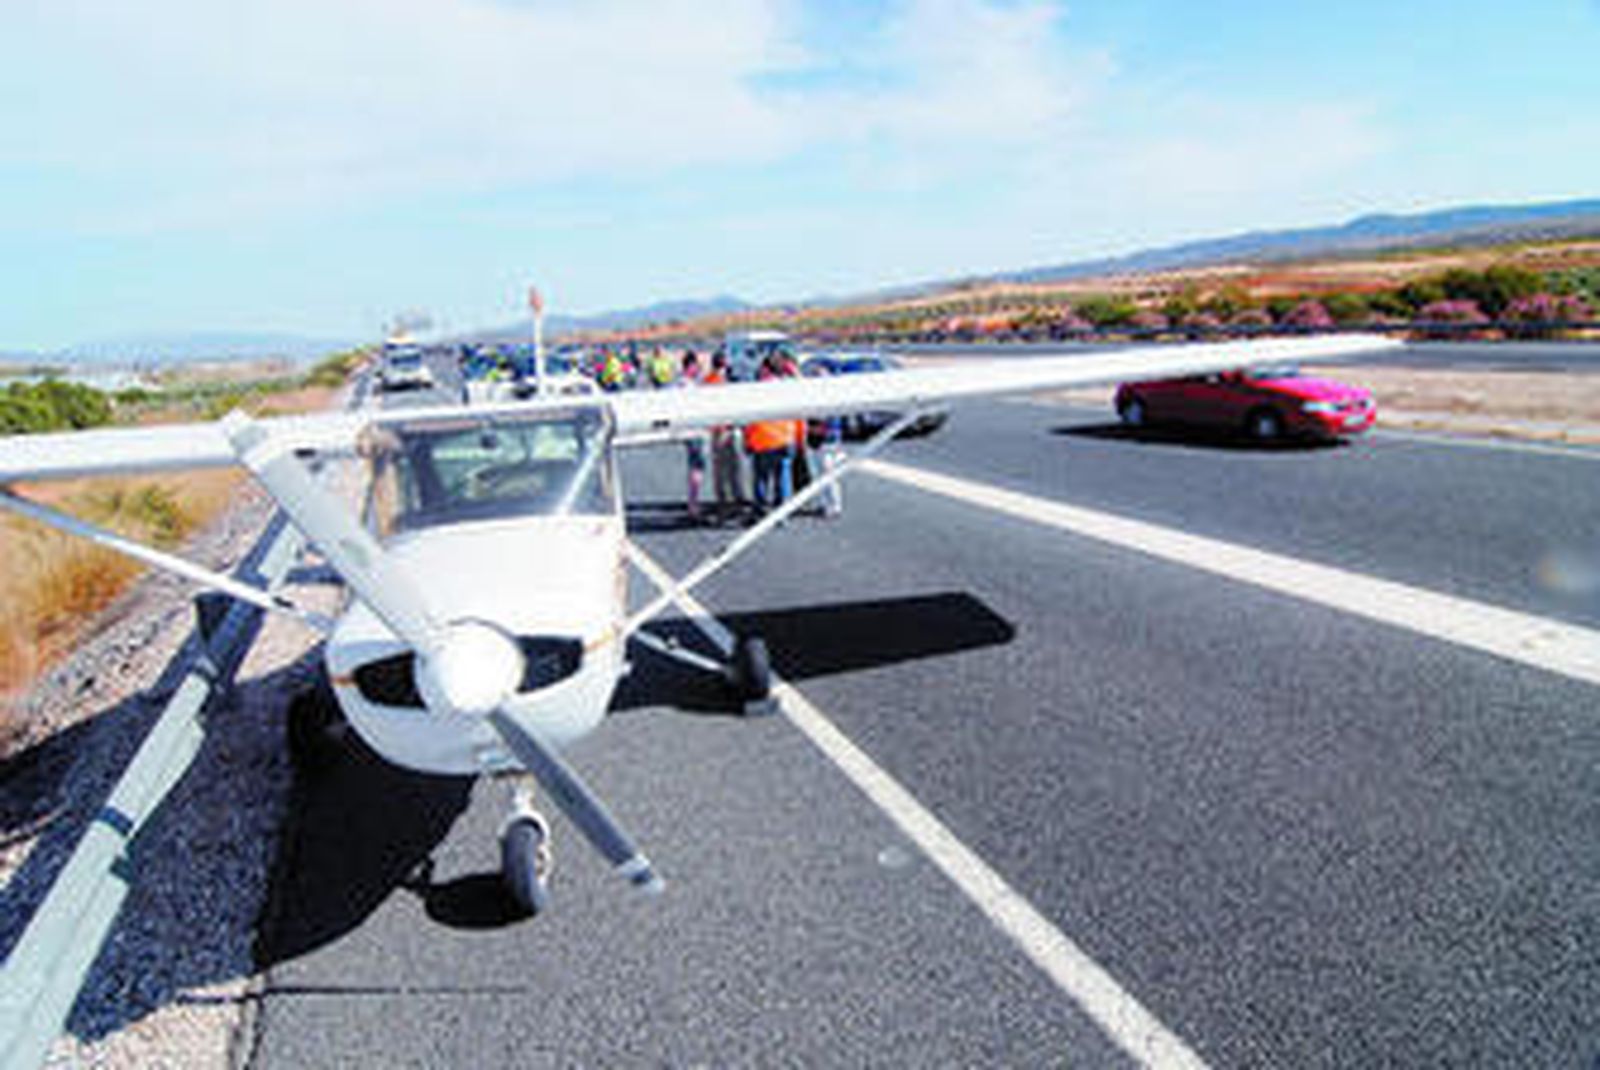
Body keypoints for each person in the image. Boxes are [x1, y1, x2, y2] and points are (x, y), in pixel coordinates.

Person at [742, 360, 803, 517]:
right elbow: (799, 414)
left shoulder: (757, 390)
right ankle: (782, 511)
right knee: (783, 477)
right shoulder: (789, 389)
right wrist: (799, 438)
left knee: (761, 478)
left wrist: (747, 440)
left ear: (766, 370)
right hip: (786, 438)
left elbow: (750, 418)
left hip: (764, 439)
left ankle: (761, 510)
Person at [704, 351, 746, 522]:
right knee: (725, 468)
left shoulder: (718, 381)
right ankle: (727, 501)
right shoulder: (714, 382)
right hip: (720, 430)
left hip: (726, 429)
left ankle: (733, 499)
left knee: (732, 467)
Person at [678, 350, 707, 521]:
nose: (700, 369)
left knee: (695, 467)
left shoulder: (684, 383)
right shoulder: (687, 386)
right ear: (691, 366)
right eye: (697, 366)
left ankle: (693, 501)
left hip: (691, 430)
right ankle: (693, 504)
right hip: (693, 429)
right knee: (697, 466)